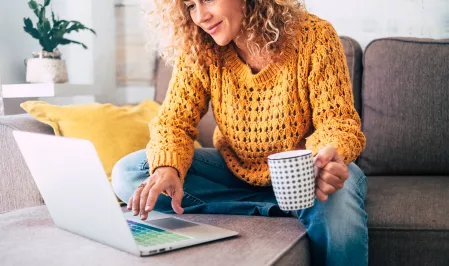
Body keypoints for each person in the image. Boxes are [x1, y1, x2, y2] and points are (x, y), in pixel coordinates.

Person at [112, 0, 368, 265]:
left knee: (339, 193)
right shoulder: (201, 48)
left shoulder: (314, 36)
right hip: (236, 172)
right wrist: (167, 169)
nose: (200, 16)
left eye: (208, 0)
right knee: (131, 172)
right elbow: (173, 122)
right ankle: (277, 207)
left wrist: (323, 162)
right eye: (190, 5)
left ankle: (295, 203)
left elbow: (337, 122)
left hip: (305, 175)